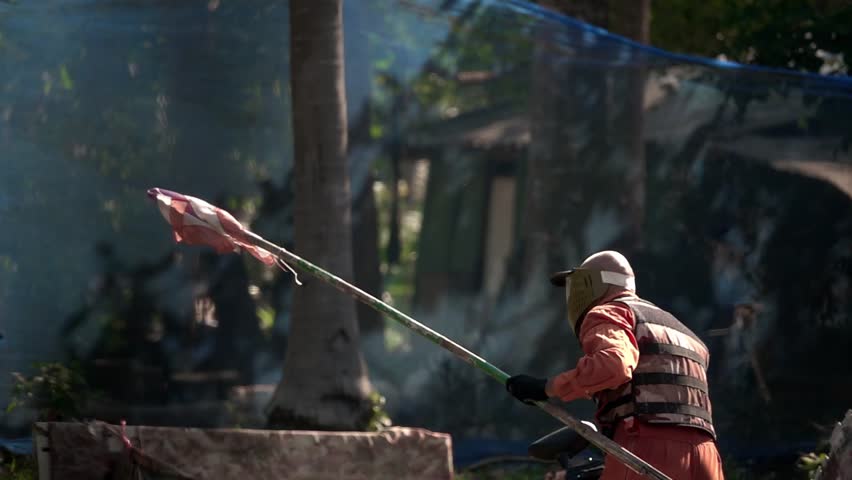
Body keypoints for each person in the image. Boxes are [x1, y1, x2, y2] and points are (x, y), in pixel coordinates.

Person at [506, 251, 724, 480]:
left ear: (593, 283)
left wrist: (546, 388)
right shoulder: (684, 333)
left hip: (645, 449)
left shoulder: (609, 312)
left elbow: (615, 365)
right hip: (706, 455)